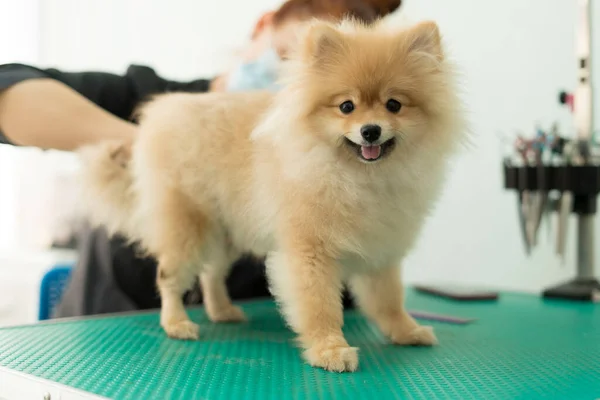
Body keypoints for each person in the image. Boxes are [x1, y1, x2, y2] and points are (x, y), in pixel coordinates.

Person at [0, 0, 402, 318]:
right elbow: (8, 93)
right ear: (263, 26)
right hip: (116, 343)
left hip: (274, 356)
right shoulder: (150, 96)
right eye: (285, 56)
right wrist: (167, 150)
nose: (293, 83)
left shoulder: (351, 153)